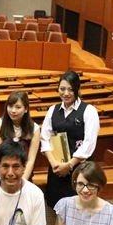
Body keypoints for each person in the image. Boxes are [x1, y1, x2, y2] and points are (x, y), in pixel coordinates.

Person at [40, 71, 100, 208]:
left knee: (80, 209)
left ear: (78, 90)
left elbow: (89, 144)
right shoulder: (52, 110)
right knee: (58, 210)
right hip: (57, 170)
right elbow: (45, 139)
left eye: (70, 89)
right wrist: (54, 163)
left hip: (81, 170)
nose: (66, 93)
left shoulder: (89, 111)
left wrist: (70, 165)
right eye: (62, 89)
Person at [0, 91, 41, 180]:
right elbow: (1, 155)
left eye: (18, 107)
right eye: (10, 106)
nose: (13, 110)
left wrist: (22, 181)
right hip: (3, 174)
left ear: (26, 109)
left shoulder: (35, 129)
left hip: (24, 174)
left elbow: (30, 160)